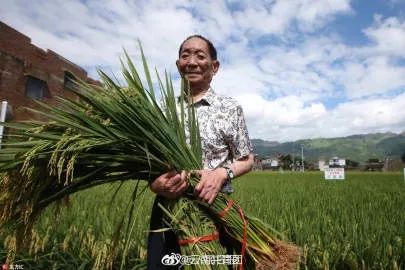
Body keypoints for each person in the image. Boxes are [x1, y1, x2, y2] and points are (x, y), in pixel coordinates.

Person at [147, 35, 254, 269]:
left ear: (214, 67)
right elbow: (147, 163)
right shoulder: (162, 110)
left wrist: (221, 174)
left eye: (200, 55)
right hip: (168, 211)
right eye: (185, 55)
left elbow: (246, 160)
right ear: (178, 65)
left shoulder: (229, 108)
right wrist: (155, 184)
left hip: (215, 211)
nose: (192, 61)